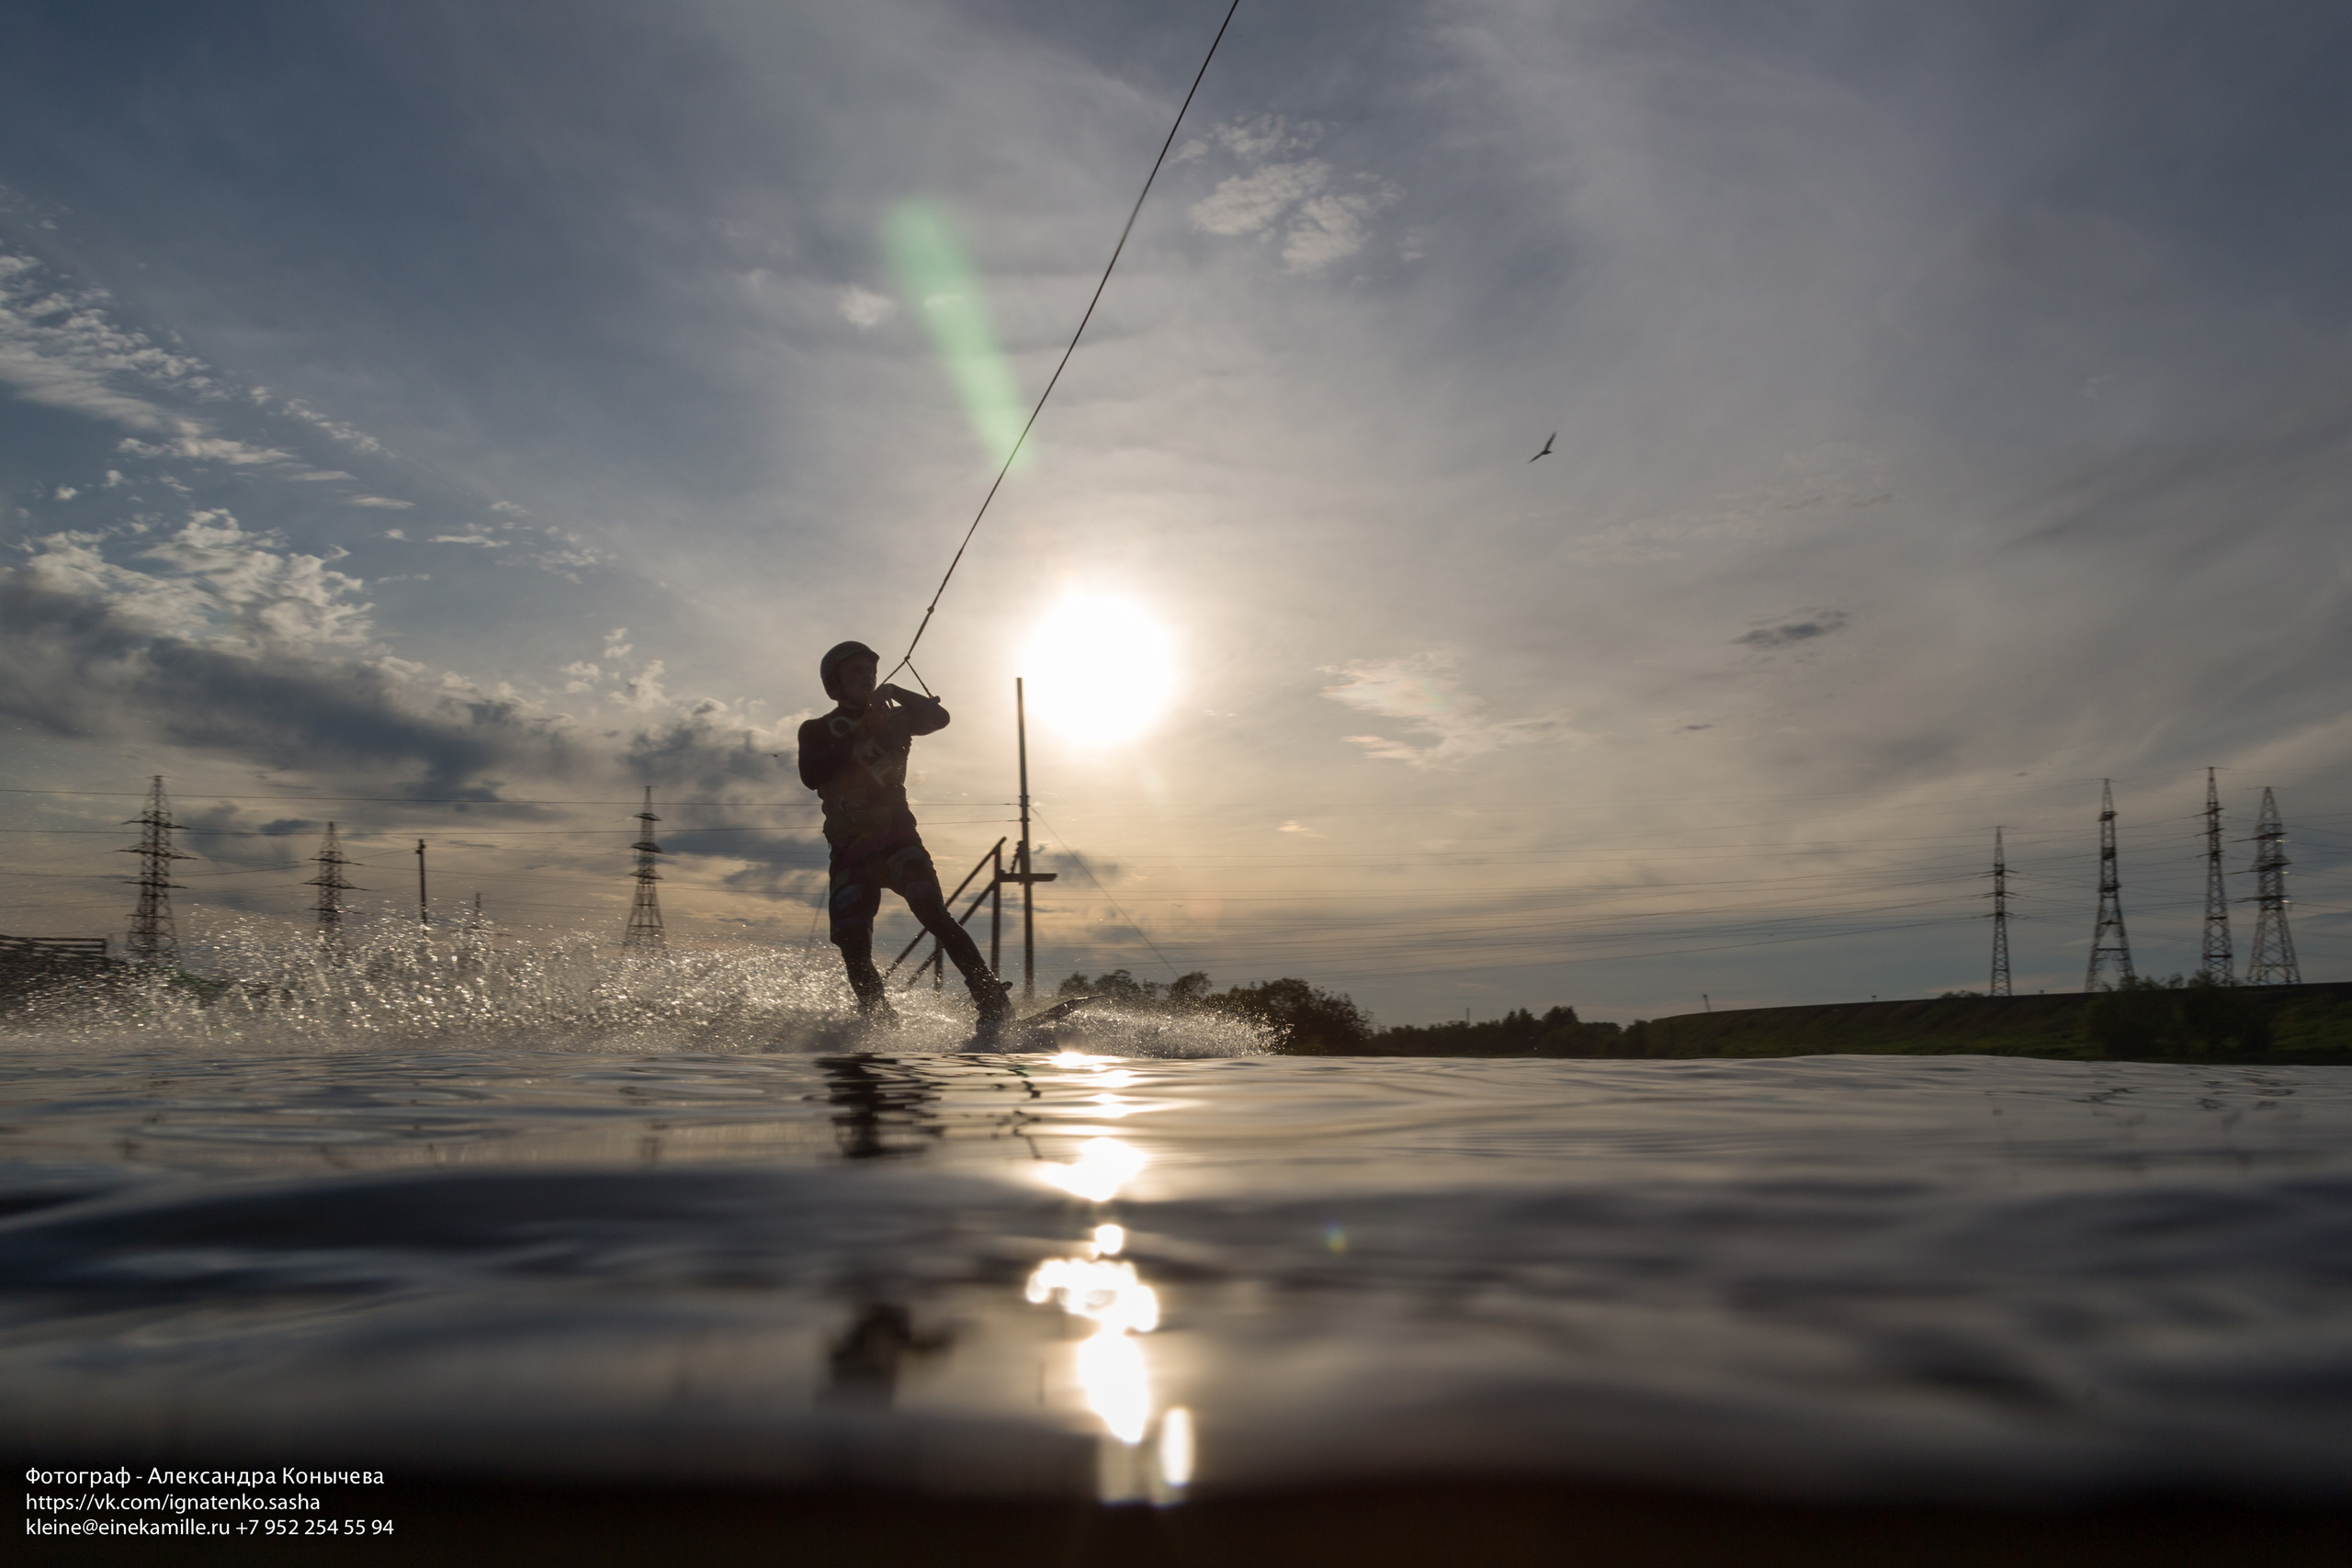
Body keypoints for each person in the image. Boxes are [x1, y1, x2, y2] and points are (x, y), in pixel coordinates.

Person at [797, 640, 1013, 1035]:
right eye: (855, 671)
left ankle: (990, 998)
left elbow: (940, 717)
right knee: (852, 942)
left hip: (897, 837)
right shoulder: (816, 730)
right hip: (849, 851)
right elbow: (812, 775)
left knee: (932, 912)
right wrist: (861, 727)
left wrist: (895, 693)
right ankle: (879, 1021)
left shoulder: (895, 720)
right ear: (834, 686)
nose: (866, 676)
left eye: (871, 670)